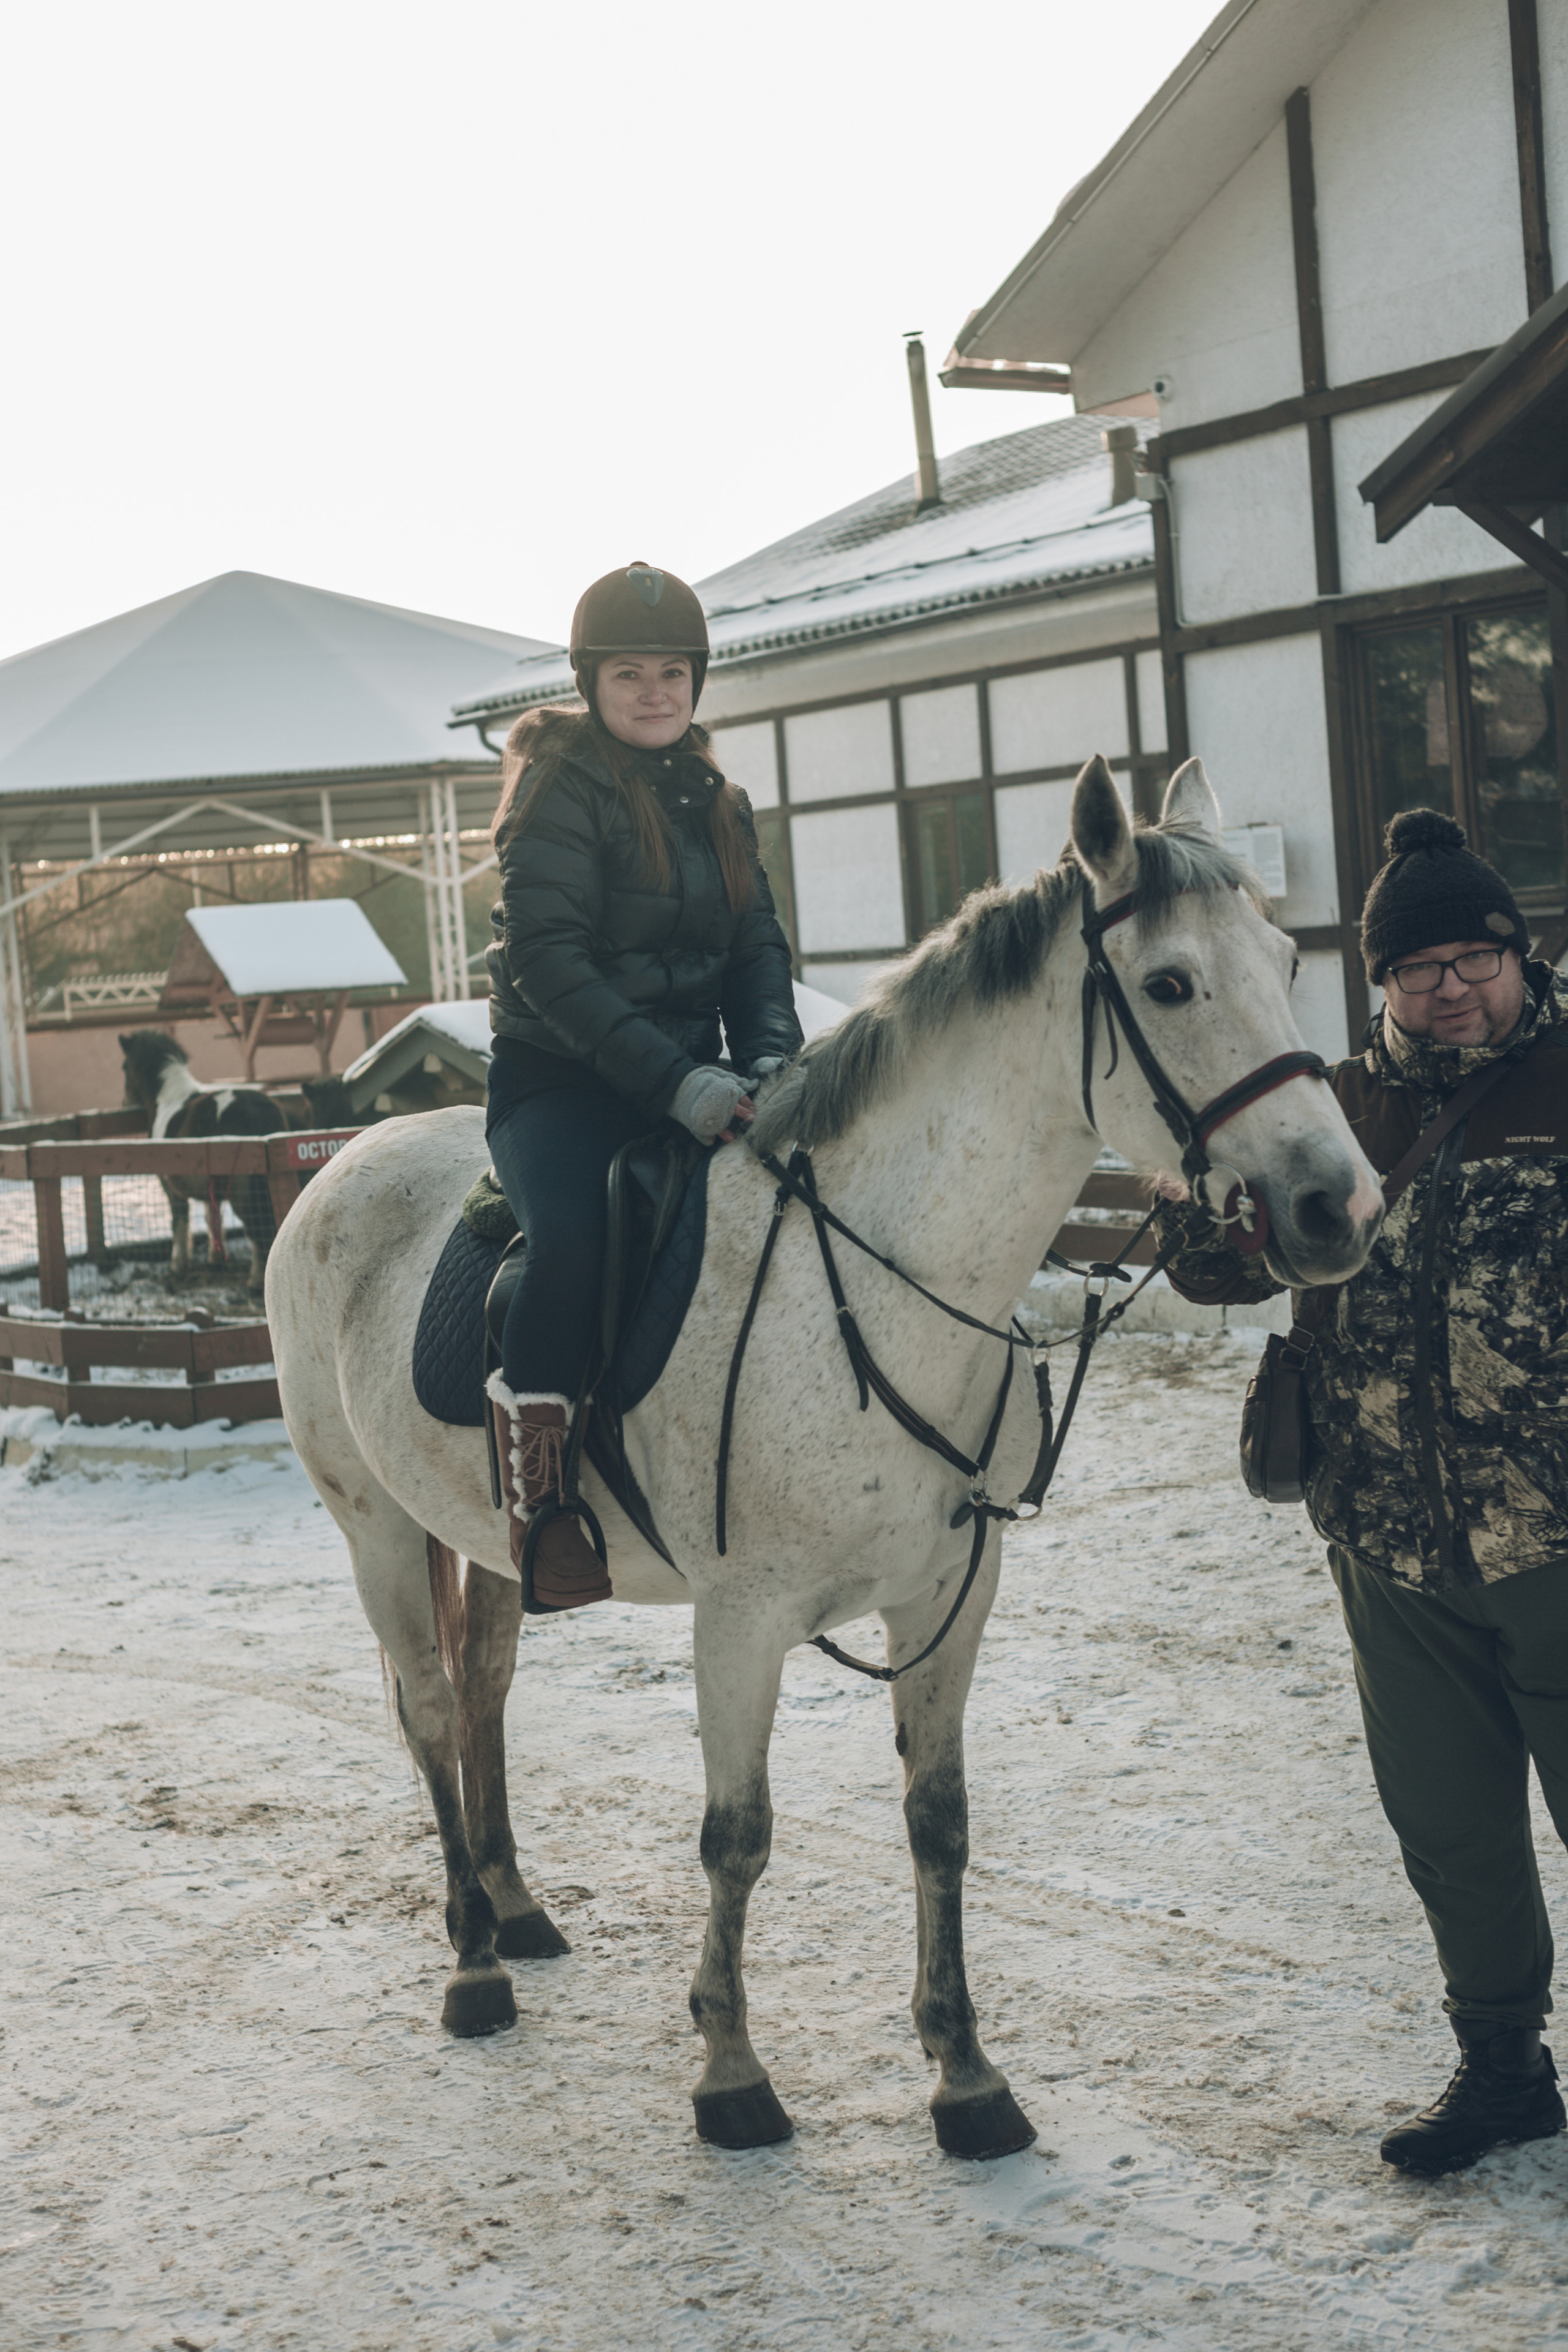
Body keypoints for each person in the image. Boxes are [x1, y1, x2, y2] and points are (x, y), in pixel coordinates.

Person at [1159, 807, 1568, 2176]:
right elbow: (1212, 1275)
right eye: (1418, 969)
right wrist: (1203, 1212)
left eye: (1477, 959)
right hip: (1391, 1544)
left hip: (1557, 1536)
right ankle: (1503, 2071)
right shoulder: (1325, 1107)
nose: (1452, 988)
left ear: (1518, 955)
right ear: (1380, 981)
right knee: (1450, 1830)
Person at [483, 561, 802, 1611]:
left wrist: (769, 1054)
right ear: (591, 684)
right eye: (630, 674)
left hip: (702, 1075)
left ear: (697, 681)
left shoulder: (720, 801)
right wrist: (675, 1083)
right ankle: (541, 1497)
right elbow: (548, 962)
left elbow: (758, 946)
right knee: (574, 1243)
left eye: (673, 672)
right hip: (560, 1083)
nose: (655, 692)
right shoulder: (558, 791)